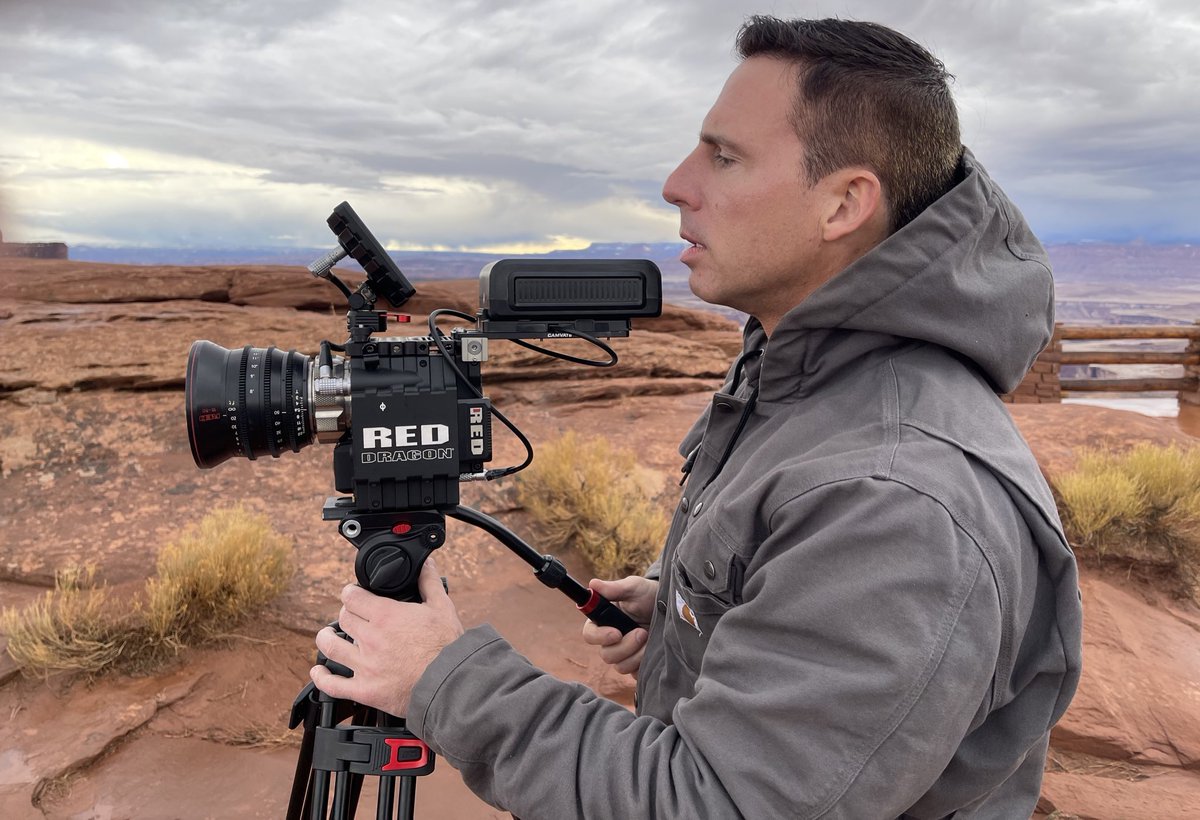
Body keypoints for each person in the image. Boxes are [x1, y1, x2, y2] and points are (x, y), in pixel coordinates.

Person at [311, 16, 1083, 818]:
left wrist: (446, 679)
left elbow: (716, 803)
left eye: (723, 156)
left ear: (845, 203)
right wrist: (693, 616)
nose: (678, 184)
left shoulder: (898, 499)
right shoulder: (806, 380)